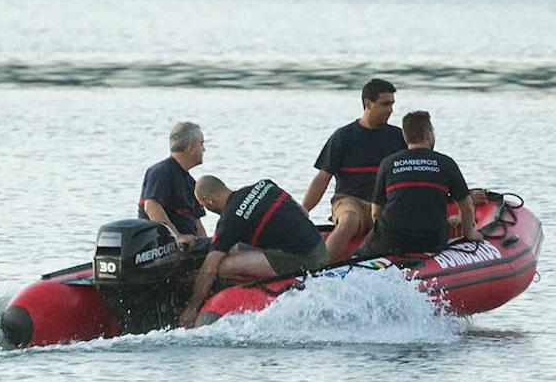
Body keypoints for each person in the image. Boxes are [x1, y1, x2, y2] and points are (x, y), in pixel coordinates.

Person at [180, 175, 330, 327]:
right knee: (232, 248)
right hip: (317, 244)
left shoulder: (229, 221)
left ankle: (262, 289)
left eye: (203, 205)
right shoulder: (264, 185)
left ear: (208, 201)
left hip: (306, 259)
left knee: (223, 266)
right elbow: (301, 211)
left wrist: (192, 308)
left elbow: (209, 269)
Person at [353, 110, 483, 258]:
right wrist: (469, 233)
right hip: (430, 242)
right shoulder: (446, 163)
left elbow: (376, 212)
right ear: (428, 134)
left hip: (390, 241)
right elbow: (467, 206)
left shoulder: (388, 163)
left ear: (405, 137)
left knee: (358, 256)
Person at [302, 78, 406, 260]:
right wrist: (304, 210)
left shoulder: (399, 137)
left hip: (387, 205)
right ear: (368, 104)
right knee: (348, 220)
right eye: (385, 104)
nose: (391, 110)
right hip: (351, 202)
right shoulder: (344, 137)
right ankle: (319, 269)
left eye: (392, 104)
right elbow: (322, 177)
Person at [137, 121, 206, 247]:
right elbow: (151, 206)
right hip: (160, 248)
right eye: (201, 144)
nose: (204, 149)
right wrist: (177, 237)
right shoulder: (161, 172)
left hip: (188, 247)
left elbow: (197, 223)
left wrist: (206, 247)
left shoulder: (191, 183)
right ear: (190, 148)